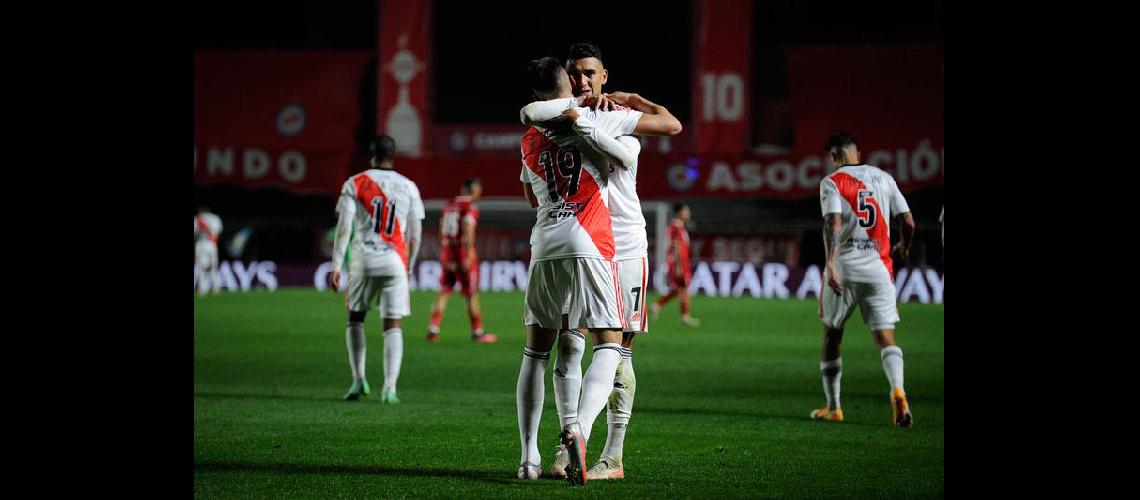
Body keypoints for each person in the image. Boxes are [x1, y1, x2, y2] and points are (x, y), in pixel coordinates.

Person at [513, 56, 680, 484]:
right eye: (576, 74)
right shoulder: (578, 117)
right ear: (567, 80)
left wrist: (631, 100)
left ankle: (609, 452)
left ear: (605, 77)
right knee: (570, 345)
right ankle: (570, 441)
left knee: (619, 353)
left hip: (623, 246)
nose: (583, 80)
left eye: (591, 73)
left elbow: (670, 125)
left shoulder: (612, 115)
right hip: (590, 241)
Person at [811, 130, 915, 427]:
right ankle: (898, 389)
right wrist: (903, 246)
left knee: (832, 335)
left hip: (844, 268)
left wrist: (830, 264)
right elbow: (907, 221)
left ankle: (834, 407)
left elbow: (834, 222)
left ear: (834, 156)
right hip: (879, 269)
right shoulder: (884, 178)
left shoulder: (832, 182)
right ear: (857, 151)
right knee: (885, 337)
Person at [331, 135, 425, 404]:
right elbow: (415, 235)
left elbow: (344, 227)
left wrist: (337, 265)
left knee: (356, 318)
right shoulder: (408, 186)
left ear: (370, 153)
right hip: (395, 261)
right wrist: (409, 266)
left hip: (362, 261)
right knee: (392, 324)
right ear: (394, 156)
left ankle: (358, 379)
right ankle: (390, 388)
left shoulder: (355, 183)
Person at [426, 178, 498, 343]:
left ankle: (433, 328)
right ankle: (478, 332)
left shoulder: (449, 204)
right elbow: (467, 229)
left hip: (447, 252)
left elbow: (441, 229)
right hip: (462, 253)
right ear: (473, 190)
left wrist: (445, 250)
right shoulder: (469, 207)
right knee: (471, 295)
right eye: (479, 189)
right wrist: (469, 253)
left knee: (444, 291)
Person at [650, 203, 700, 326]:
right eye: (686, 211)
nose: (688, 214)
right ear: (680, 212)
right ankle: (684, 315)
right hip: (679, 262)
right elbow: (676, 246)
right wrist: (678, 265)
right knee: (683, 288)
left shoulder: (677, 226)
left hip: (679, 262)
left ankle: (658, 305)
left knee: (678, 289)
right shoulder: (677, 227)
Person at [194, 208, 223, 296]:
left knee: (200, 267)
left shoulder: (197, 219)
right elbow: (218, 232)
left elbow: (195, 233)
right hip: (211, 244)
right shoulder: (215, 218)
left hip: (201, 243)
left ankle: (202, 289)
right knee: (213, 266)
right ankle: (216, 288)